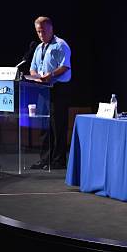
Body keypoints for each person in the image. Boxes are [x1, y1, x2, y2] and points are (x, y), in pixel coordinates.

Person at [29, 16, 72, 170]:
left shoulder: (61, 45)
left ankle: (58, 160)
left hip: (58, 89)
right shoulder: (39, 47)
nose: (41, 34)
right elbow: (33, 67)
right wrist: (35, 75)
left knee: (57, 126)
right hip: (43, 90)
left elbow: (65, 66)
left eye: (43, 31)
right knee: (44, 125)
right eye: (38, 31)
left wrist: (51, 75)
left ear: (51, 28)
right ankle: (45, 159)